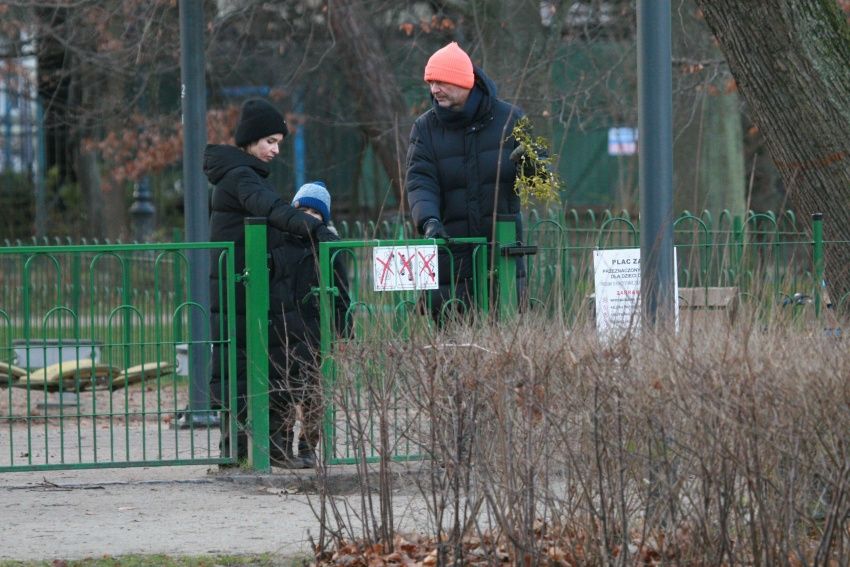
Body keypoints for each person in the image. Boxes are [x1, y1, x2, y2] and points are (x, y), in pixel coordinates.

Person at [204, 98, 339, 466]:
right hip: (245, 288)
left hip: (243, 285)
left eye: (279, 142)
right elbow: (273, 209)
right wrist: (315, 228)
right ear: (250, 140)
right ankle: (258, 451)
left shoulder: (235, 174)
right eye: (270, 141)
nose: (276, 150)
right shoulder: (241, 177)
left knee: (246, 366)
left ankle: (242, 451)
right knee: (253, 365)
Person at [405, 42, 528, 322]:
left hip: (502, 255)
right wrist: (429, 221)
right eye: (430, 82)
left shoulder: (511, 119)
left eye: (441, 81)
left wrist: (534, 164)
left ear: (464, 81)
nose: (434, 89)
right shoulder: (425, 128)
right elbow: (419, 181)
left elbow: (537, 182)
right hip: (450, 256)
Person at [267, 181, 351, 468]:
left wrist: (344, 333)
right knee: (282, 392)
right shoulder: (278, 243)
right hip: (282, 330)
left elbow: (342, 294)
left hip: (316, 333)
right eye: (301, 211)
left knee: (315, 394)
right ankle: (280, 446)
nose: (306, 218)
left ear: (323, 219)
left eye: (314, 214)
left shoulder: (328, 247)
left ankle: (307, 447)